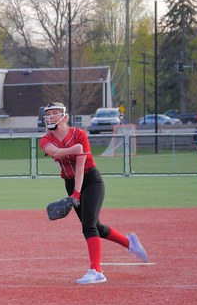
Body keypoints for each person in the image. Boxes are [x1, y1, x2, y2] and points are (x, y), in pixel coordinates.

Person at [39, 102, 149, 284]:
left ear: (65, 117)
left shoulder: (79, 134)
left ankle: (96, 271)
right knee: (95, 226)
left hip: (91, 181)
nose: (50, 117)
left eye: (55, 113)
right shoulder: (46, 139)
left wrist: (76, 194)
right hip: (70, 183)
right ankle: (129, 243)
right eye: (48, 114)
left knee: (88, 225)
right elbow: (56, 153)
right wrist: (73, 151)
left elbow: (81, 167)